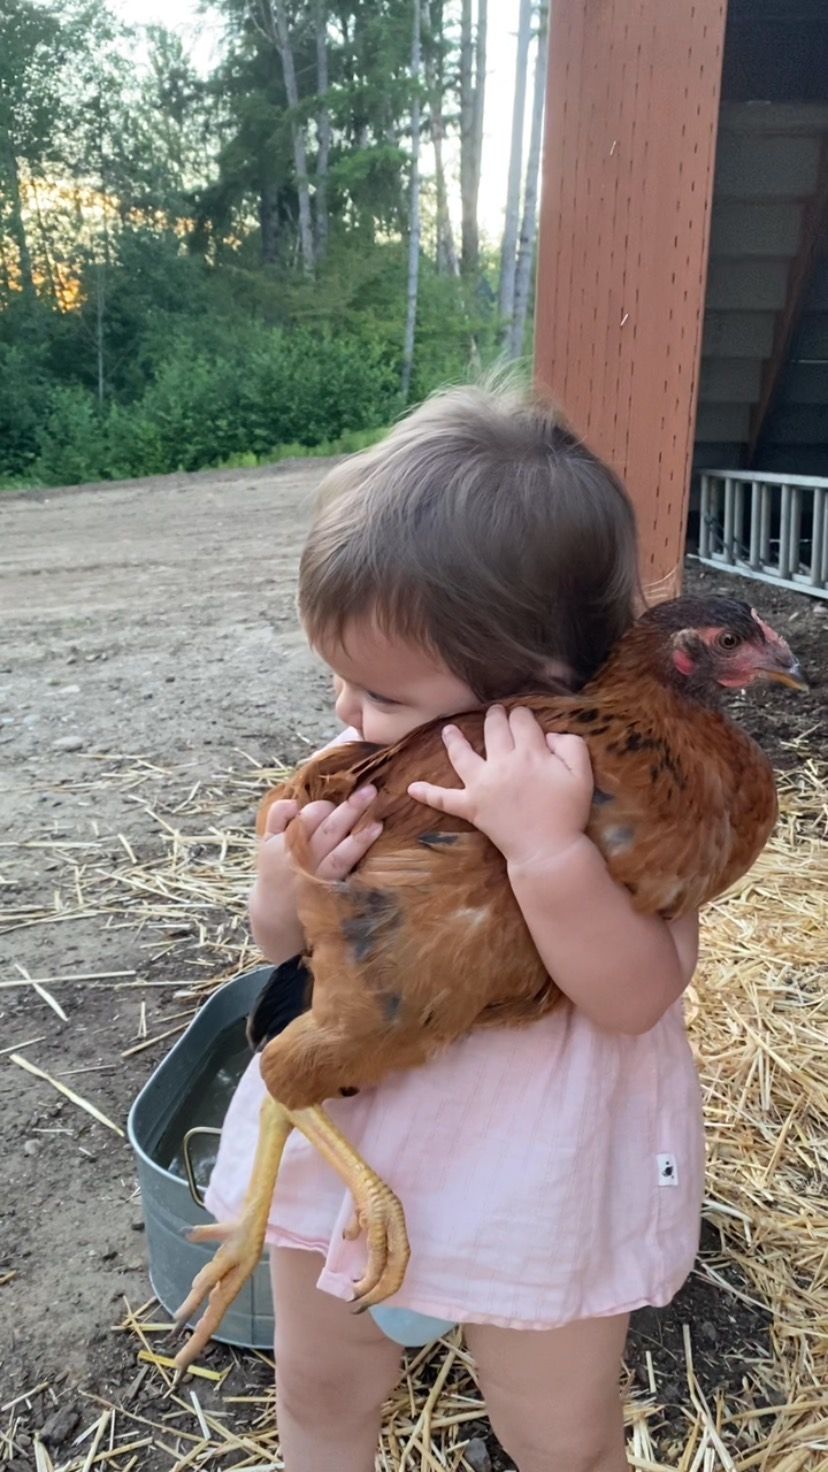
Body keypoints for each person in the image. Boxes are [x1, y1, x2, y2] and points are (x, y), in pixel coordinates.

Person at [205, 383, 704, 1472]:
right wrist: (290, 878)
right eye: (336, 677)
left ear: (537, 686)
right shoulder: (367, 764)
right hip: (354, 1139)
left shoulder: (631, 795)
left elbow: (634, 997)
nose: (346, 714)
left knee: (559, 1437)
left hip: (538, 1172)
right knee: (320, 1390)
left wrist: (547, 853)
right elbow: (280, 951)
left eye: (380, 695)